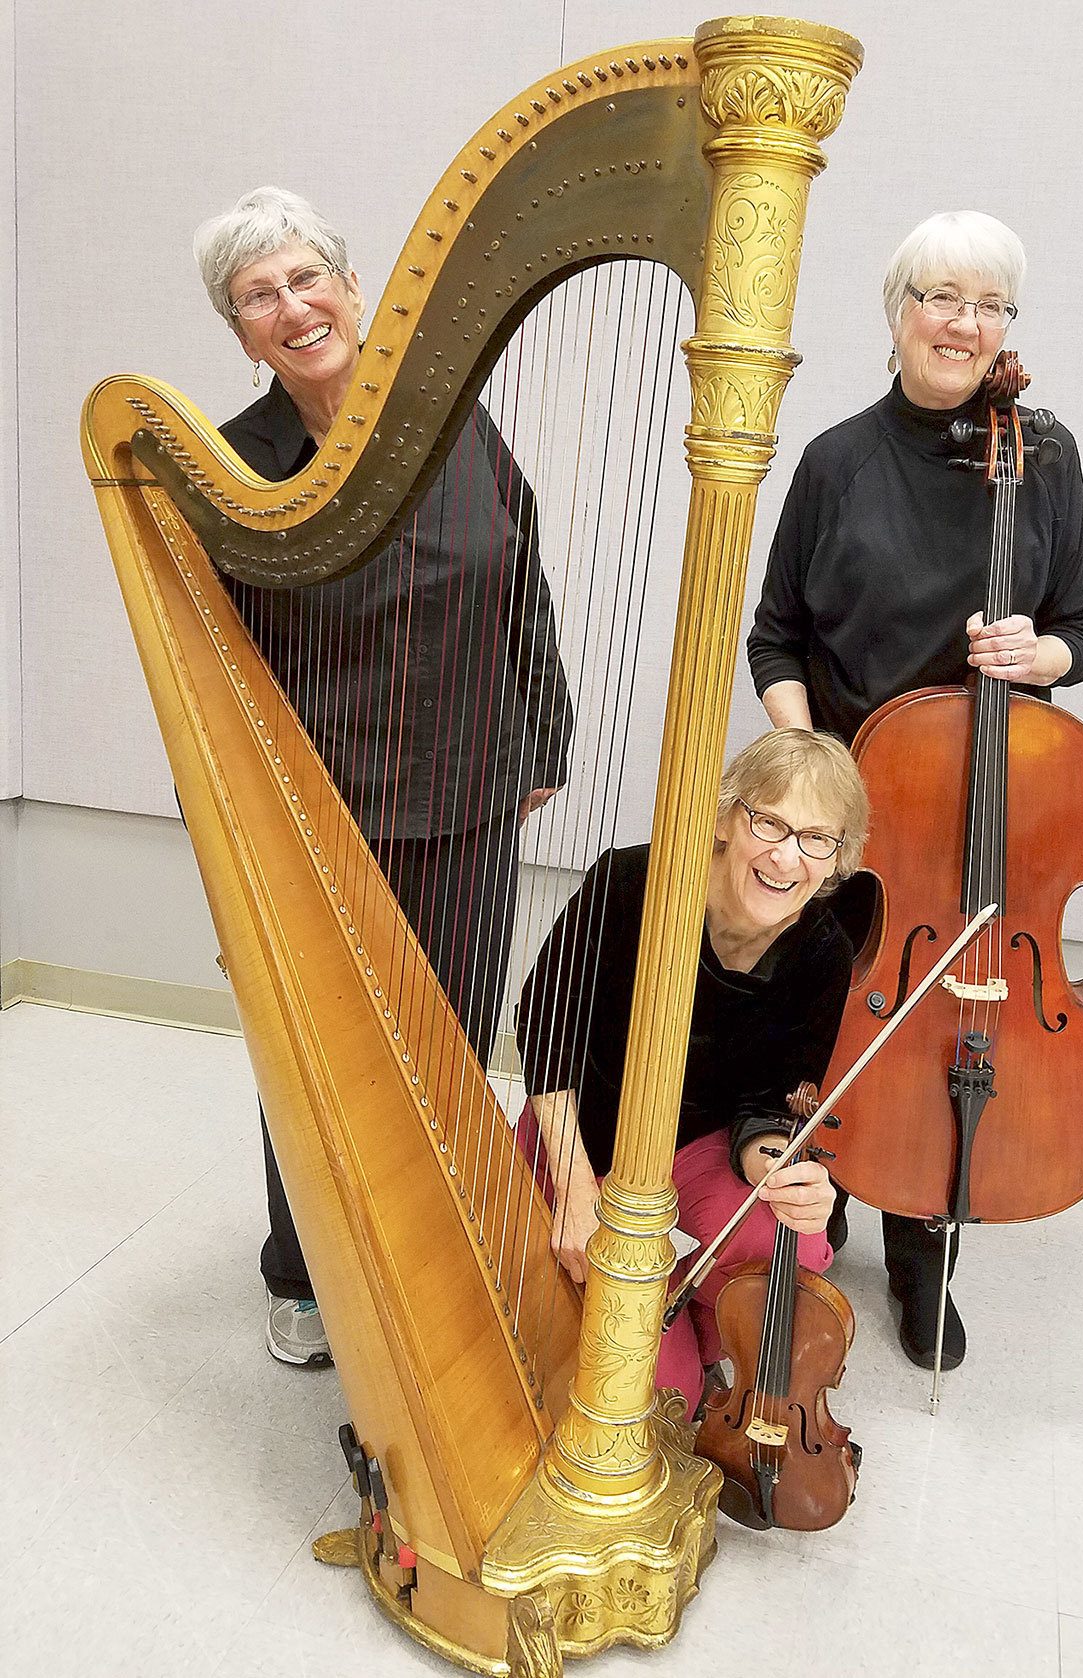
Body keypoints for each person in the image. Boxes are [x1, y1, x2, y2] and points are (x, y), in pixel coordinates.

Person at [193, 187, 573, 1367]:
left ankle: (435, 1244)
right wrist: (232, 834)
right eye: (260, 295)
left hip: (467, 790)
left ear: (356, 291)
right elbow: (212, 666)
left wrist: (541, 734)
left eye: (308, 278)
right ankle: (302, 1271)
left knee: (450, 1038)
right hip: (321, 810)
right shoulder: (229, 466)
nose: (292, 306)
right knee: (316, 1048)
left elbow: (520, 571)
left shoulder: (448, 418)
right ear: (242, 331)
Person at [747, 210, 1083, 1373]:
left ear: (1004, 327)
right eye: (940, 298)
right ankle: (821, 1200)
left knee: (950, 1023)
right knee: (824, 1005)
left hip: (982, 825)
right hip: (852, 807)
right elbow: (777, 637)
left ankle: (921, 1243)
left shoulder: (1038, 458)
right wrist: (811, 774)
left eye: (988, 305)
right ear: (897, 310)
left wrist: (1036, 657)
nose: (963, 324)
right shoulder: (836, 461)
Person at [515, 728, 870, 1414]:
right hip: (581, 1136)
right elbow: (544, 1029)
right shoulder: (628, 882)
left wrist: (782, 1170)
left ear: (835, 860)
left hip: (700, 1146)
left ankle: (693, 1310)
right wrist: (576, 1191)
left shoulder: (824, 952)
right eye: (769, 821)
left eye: (816, 839)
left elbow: (775, 1102)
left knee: (783, 1243)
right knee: (635, 1395)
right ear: (724, 819)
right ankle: (656, 1310)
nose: (786, 856)